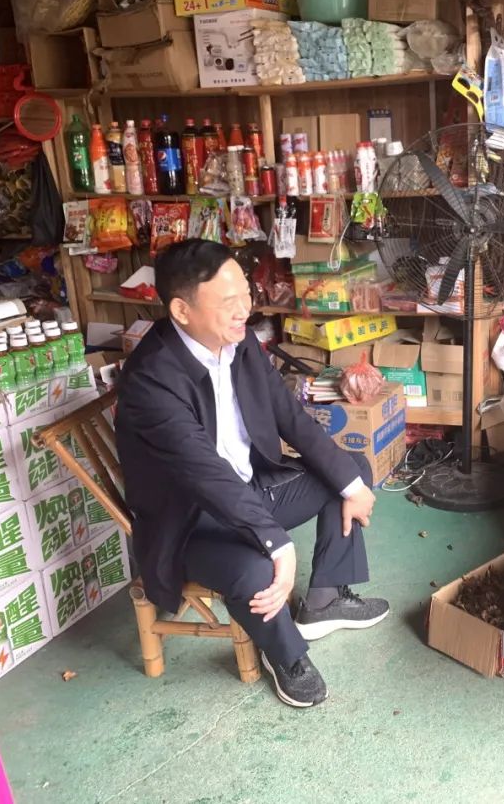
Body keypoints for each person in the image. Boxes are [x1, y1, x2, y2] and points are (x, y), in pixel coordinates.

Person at [115, 239, 389, 709]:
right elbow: (206, 475)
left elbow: (291, 417)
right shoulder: (152, 379)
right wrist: (277, 543)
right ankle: (287, 657)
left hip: (250, 490)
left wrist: (350, 485)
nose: (245, 309)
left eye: (245, 294)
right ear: (181, 310)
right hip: (191, 522)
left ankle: (324, 600)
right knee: (257, 569)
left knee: (351, 472)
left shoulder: (238, 341)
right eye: (229, 301)